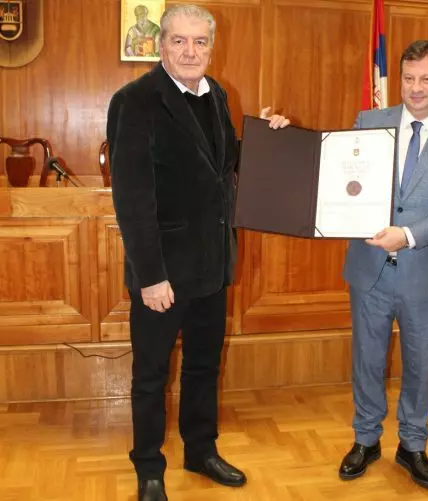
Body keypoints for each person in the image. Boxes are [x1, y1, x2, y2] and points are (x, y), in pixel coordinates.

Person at [107, 4, 289, 500]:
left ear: (212, 47)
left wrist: (265, 138)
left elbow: (222, 162)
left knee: (204, 367)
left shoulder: (216, 93)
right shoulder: (135, 101)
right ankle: (149, 467)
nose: (190, 51)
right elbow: (132, 199)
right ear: (161, 45)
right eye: (179, 41)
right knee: (151, 375)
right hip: (162, 273)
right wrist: (150, 275)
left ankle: (200, 450)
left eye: (200, 41)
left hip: (212, 265)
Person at [340, 40, 428, 490]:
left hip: (425, 273)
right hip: (369, 269)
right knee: (367, 360)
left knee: (420, 365)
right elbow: (342, 176)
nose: (415, 88)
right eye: (408, 78)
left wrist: (408, 235)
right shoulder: (369, 122)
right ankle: (366, 439)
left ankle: (413, 444)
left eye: (426, 79)